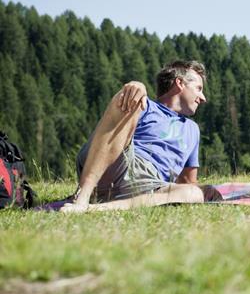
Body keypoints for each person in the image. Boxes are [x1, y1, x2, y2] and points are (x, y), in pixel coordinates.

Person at [62, 61, 208, 212]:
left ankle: (97, 208)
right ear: (180, 83)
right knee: (135, 96)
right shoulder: (147, 106)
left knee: (194, 193)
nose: (203, 98)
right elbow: (114, 127)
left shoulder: (192, 129)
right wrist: (136, 86)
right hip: (118, 163)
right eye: (198, 88)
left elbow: (187, 181)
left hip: (150, 185)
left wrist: (207, 191)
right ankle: (82, 197)